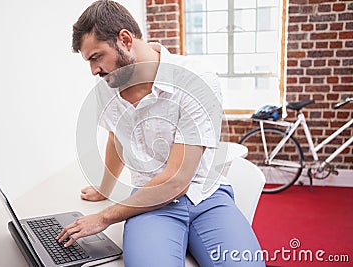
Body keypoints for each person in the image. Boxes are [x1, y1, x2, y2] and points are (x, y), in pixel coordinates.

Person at [57, 1, 265, 266]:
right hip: (148, 204)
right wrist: (104, 187)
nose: (94, 70)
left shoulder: (195, 79)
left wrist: (104, 217)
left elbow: (178, 181)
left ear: (125, 39)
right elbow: (116, 137)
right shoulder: (105, 91)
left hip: (205, 196)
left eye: (96, 57)